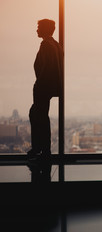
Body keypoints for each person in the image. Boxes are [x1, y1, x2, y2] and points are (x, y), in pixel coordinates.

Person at [27, 19, 63, 182]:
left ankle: (40, 150)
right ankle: (42, 150)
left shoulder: (46, 45)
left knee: (38, 116)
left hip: (43, 86)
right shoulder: (56, 44)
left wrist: (39, 82)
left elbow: (46, 67)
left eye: (38, 27)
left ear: (46, 29)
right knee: (40, 116)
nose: (36, 30)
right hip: (51, 86)